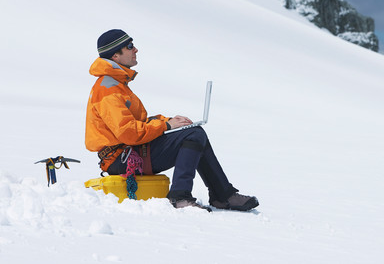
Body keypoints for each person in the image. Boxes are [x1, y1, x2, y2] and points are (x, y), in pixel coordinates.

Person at [85, 29, 258, 211]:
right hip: (122, 158)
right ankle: (180, 197)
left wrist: (168, 120)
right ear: (115, 55)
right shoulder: (108, 89)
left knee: (196, 134)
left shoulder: (116, 85)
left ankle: (223, 195)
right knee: (192, 135)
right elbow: (128, 133)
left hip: (127, 152)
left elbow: (138, 122)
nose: (135, 49)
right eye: (129, 46)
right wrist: (166, 125)